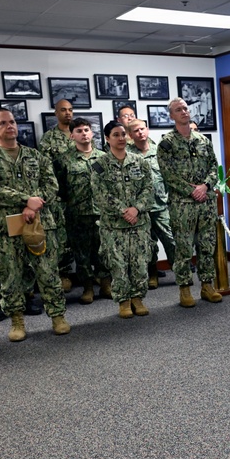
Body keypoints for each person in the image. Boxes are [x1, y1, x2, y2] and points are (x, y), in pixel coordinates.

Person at [0, 108, 71, 342]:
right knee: (9, 275)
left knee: (47, 272)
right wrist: (25, 200)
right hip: (2, 227)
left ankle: (57, 316)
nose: (10, 126)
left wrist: (33, 206)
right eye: (3, 123)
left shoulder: (35, 156)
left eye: (13, 122)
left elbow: (51, 185)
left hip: (37, 222)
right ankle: (17, 320)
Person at [157, 97, 222, 307]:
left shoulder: (203, 140)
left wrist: (205, 186)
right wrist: (191, 190)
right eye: (178, 110)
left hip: (206, 202)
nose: (184, 112)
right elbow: (167, 174)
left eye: (185, 108)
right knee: (183, 248)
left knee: (207, 245)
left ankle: (207, 285)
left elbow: (214, 167)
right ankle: (184, 288)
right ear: (171, 116)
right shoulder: (167, 143)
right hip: (182, 204)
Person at [91, 122, 152, 318]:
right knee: (118, 265)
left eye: (123, 134)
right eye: (116, 135)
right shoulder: (99, 165)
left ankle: (138, 298)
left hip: (139, 223)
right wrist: (124, 211)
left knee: (140, 263)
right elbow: (100, 194)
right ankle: (124, 301)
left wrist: (136, 209)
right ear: (107, 138)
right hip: (114, 226)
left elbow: (149, 188)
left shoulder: (139, 162)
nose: (121, 138)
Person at [56, 117, 106, 304]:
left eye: (86, 130)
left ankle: (106, 283)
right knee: (81, 254)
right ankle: (88, 287)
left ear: (92, 133)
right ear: (72, 136)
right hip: (77, 215)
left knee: (103, 251)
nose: (84, 134)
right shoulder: (63, 160)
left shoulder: (104, 157)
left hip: (102, 213)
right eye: (79, 131)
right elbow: (59, 189)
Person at [127, 117, 176, 288]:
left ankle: (179, 271)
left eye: (142, 129)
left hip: (161, 205)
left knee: (171, 239)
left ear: (147, 130)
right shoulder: (127, 154)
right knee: (147, 244)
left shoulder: (160, 151)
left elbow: (170, 176)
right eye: (136, 130)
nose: (140, 132)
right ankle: (152, 273)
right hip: (140, 208)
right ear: (130, 135)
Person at [39, 99, 77, 292]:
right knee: (62, 237)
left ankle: (93, 274)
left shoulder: (80, 132)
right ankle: (64, 273)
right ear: (56, 113)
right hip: (60, 195)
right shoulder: (49, 138)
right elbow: (45, 168)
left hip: (81, 193)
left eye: (70, 110)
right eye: (63, 110)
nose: (67, 113)